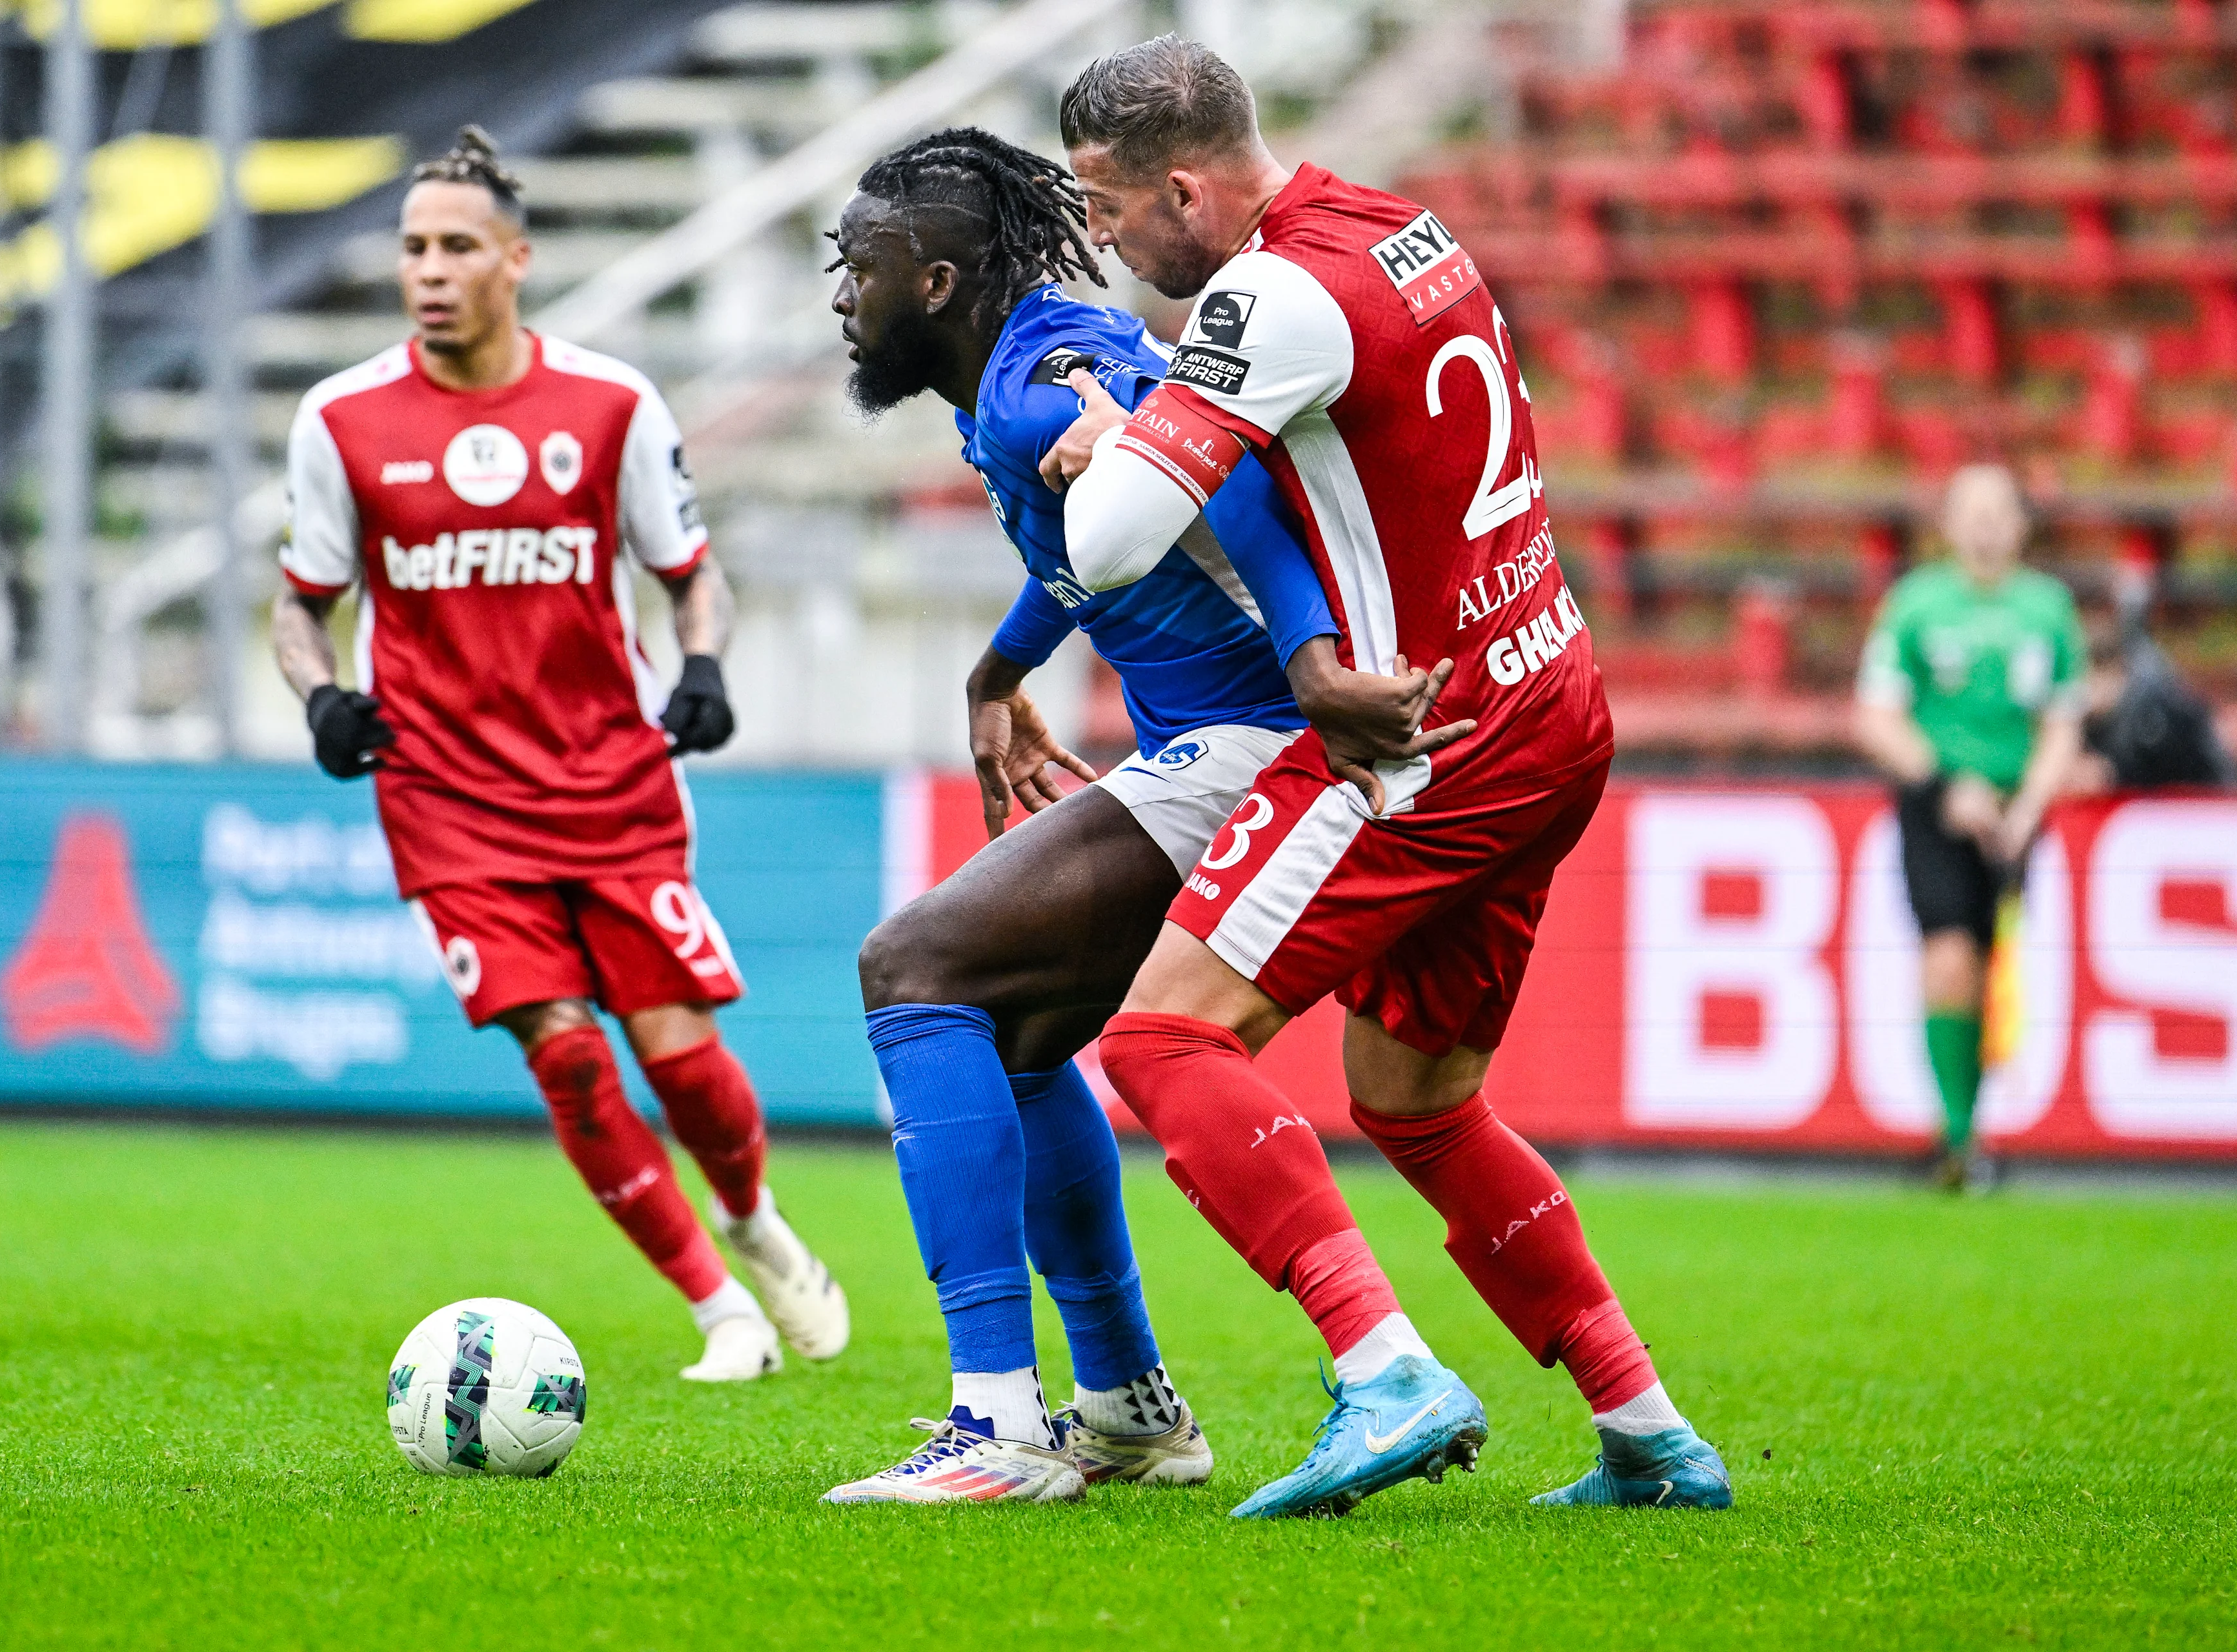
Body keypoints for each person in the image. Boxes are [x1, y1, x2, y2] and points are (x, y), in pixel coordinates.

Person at [1040, 36, 1732, 1518]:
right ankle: (1649, 1428)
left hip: (1428, 735)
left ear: (1181, 186)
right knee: (1412, 1097)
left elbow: (1105, 540)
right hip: (1550, 694)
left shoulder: (1267, 292)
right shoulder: (1400, 227)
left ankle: (1381, 1367)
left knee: (1161, 1038)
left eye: (1107, 208)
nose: (1102, 242)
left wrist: (1109, 438)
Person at [820, 127, 1404, 1505]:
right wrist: (1000, 667)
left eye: (863, 267)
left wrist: (1317, 659)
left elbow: (1229, 477)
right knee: (1015, 1038)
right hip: (1229, 743)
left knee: (913, 968)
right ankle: (1126, 1405)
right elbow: (1087, 544)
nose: (844, 294)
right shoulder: (1022, 361)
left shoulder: (1043, 383)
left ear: (943, 279)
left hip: (1256, 746)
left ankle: (997, 1425)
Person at [270, 127, 847, 1382]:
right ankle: (719, 1308)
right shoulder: (344, 420)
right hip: (446, 797)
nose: (430, 269)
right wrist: (320, 697)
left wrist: (701, 666)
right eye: (413, 247)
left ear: (516, 259)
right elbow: (299, 603)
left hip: (613, 781)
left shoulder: (611, 404)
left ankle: (751, 1217)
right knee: (572, 1056)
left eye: (456, 246)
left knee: (683, 1061)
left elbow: (693, 577)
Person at [1855, 463, 2089, 1189]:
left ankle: (1972, 1135)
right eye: (1971, 510)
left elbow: (2063, 722)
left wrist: (2028, 806)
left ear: (2022, 524)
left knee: (1995, 967)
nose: (1986, 523)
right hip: (1937, 805)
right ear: (1948, 524)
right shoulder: (1917, 605)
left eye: (1999, 510)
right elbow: (1875, 716)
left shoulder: (2048, 610)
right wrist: (1942, 783)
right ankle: (1956, 1139)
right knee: (1949, 953)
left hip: (2015, 816)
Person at [2072, 603, 2237, 792]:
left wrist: (2114, 772)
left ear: (2116, 672)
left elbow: (2195, 768)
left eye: (2093, 679)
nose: (2086, 692)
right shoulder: (2078, 716)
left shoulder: (2163, 711)